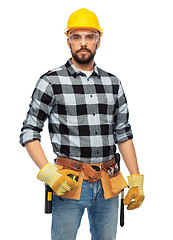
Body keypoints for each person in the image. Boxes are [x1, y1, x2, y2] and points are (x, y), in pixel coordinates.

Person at [19, 8, 145, 240]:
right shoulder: (50, 82)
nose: (83, 43)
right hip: (69, 184)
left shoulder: (113, 83)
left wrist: (136, 179)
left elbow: (123, 134)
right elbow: (29, 131)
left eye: (89, 37)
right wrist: (48, 173)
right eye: (77, 37)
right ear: (68, 41)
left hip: (109, 183)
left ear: (99, 40)